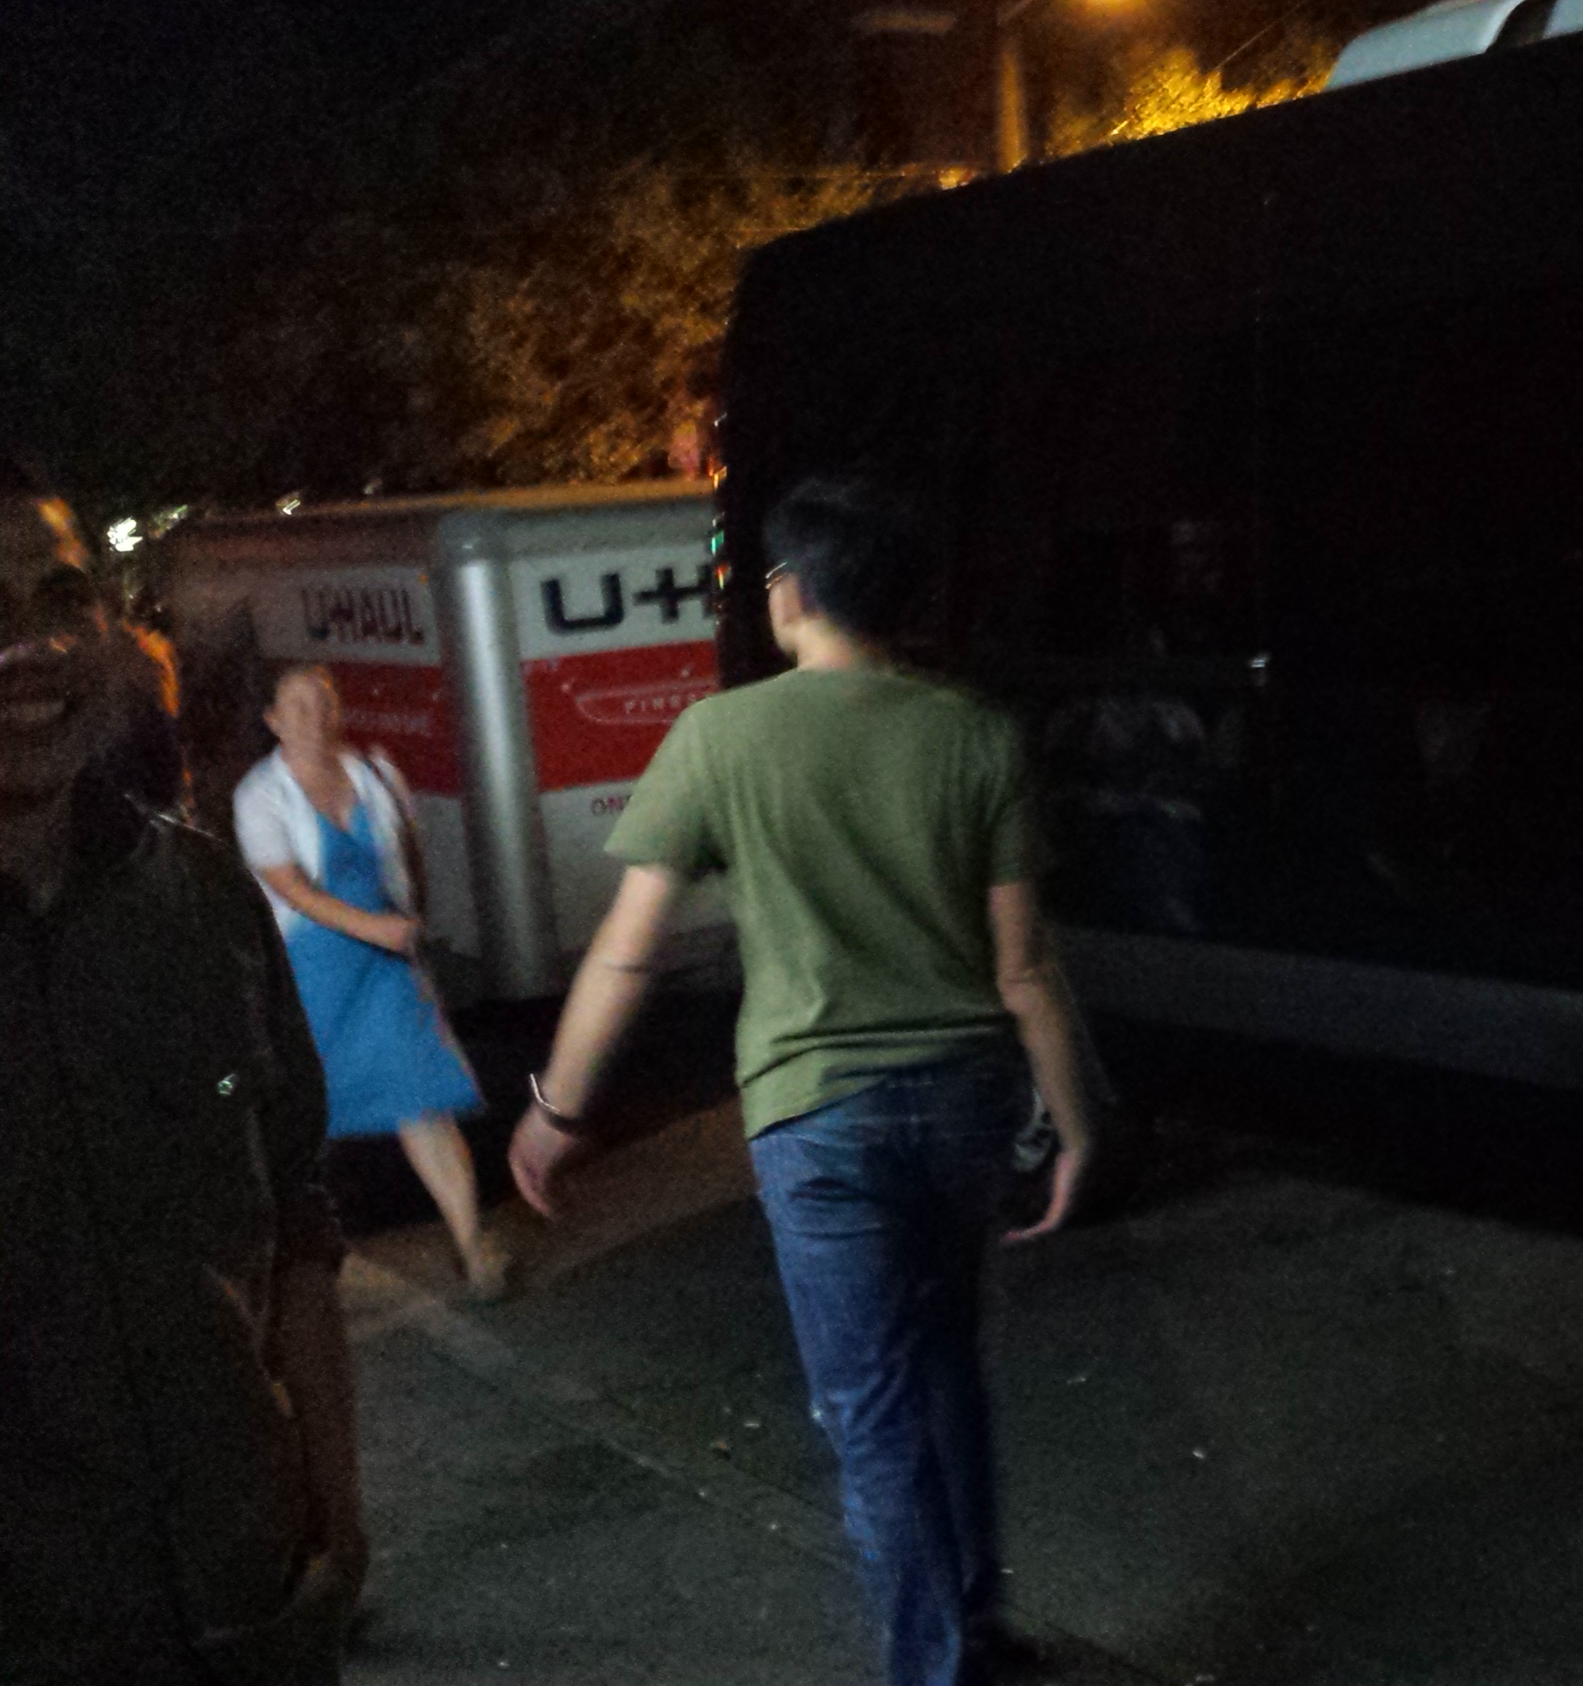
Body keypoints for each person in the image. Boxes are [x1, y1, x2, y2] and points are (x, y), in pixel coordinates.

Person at [508, 473, 1099, 1686]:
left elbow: (627, 950)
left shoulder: (719, 738)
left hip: (816, 1114)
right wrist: (1079, 1122)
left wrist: (558, 1108)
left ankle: (936, 1668)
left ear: (790, 594)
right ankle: (977, 1625)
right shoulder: (975, 735)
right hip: (966, 1097)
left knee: (873, 1412)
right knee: (947, 1360)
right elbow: (1026, 967)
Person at [0, 464, 365, 1683]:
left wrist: (337, 1515)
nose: (32, 648)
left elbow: (297, 1219)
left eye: (60, 599)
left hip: (253, 1596)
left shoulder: (204, 900)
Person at [235, 663, 508, 1301]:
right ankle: (283, 1258)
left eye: (323, 702)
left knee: (422, 1099)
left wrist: (408, 924)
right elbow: (290, 888)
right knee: (300, 1114)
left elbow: (407, 856)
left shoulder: (377, 775)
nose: (313, 717)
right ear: (273, 721)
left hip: (385, 968)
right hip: (309, 970)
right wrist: (374, 929)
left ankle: (473, 1246)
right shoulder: (259, 794)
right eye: (297, 706)